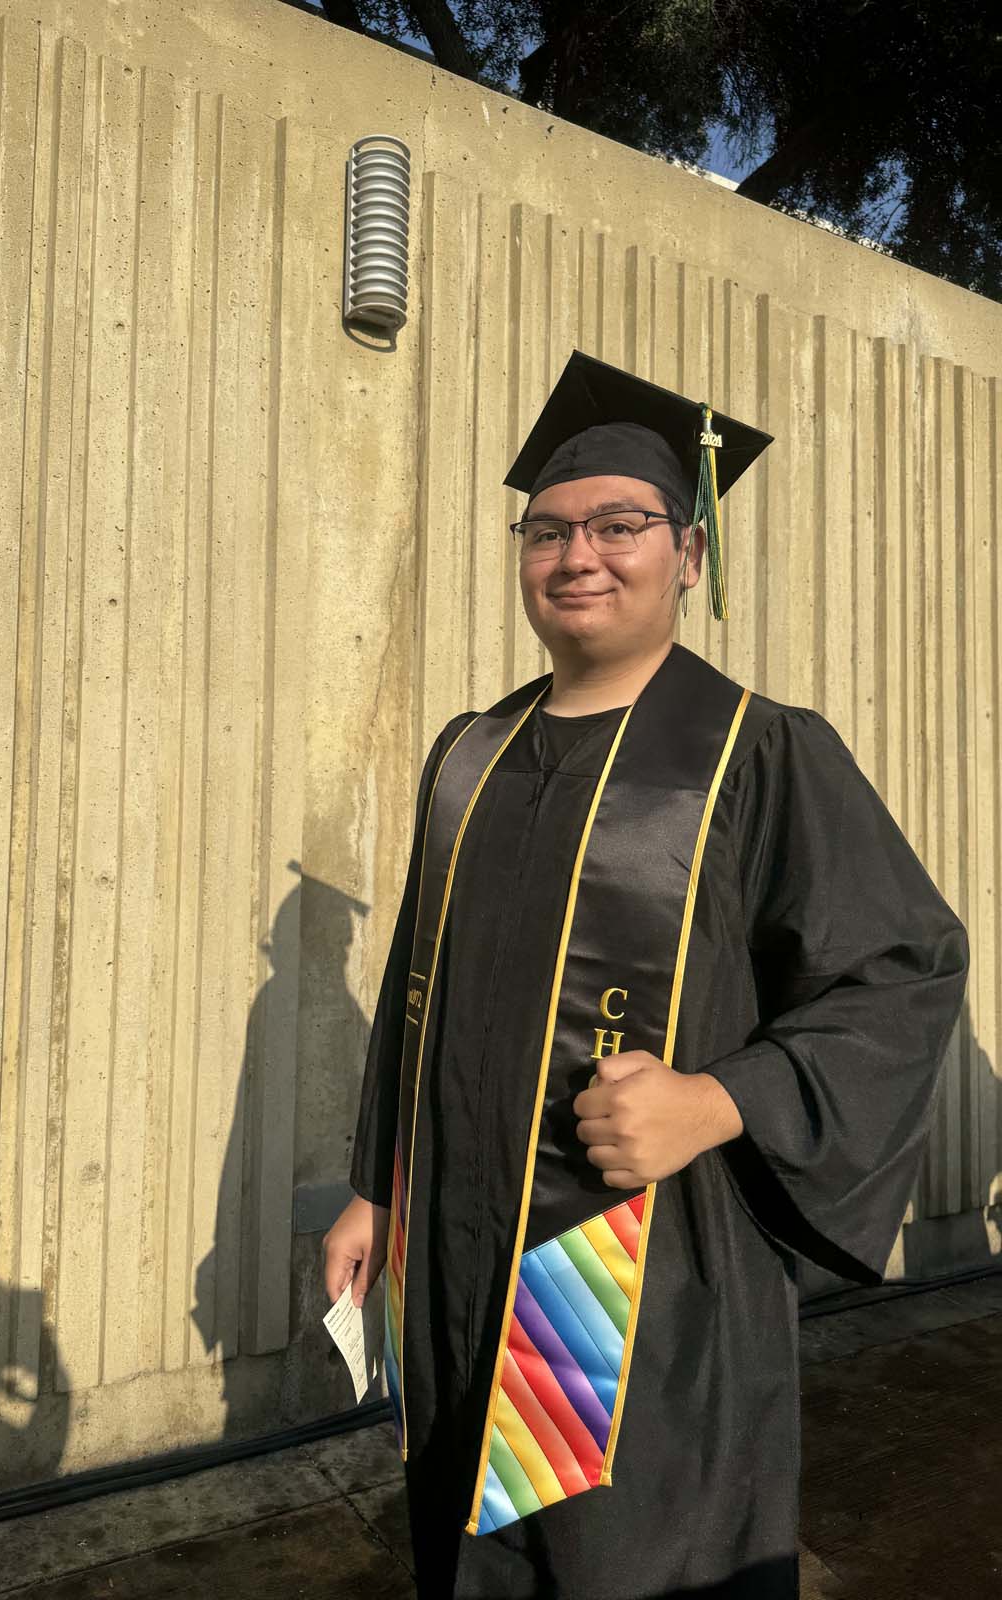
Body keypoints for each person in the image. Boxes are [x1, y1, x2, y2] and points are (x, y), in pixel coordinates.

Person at [322, 351, 969, 1600]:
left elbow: (903, 972)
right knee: (474, 1548)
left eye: (621, 524)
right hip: (454, 1256)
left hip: (637, 1279)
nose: (580, 554)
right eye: (550, 529)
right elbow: (419, 981)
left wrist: (722, 1100)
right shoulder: (470, 754)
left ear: (688, 550)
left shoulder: (761, 754)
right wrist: (375, 1190)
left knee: (619, 1562)